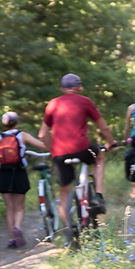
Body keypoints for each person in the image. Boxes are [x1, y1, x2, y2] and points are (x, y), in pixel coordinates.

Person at [39, 73, 117, 231]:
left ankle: (70, 229)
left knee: (64, 189)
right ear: (79, 87)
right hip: (82, 148)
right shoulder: (85, 101)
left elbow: (42, 134)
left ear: (62, 88)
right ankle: (98, 196)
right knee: (99, 157)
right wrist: (110, 141)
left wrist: (52, 149)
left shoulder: (52, 104)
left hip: (59, 153)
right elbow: (103, 127)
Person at [0, 111, 47, 248]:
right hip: (18, 173)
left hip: (4, 174)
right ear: (17, 122)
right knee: (19, 207)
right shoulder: (22, 135)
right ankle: (17, 227)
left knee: (9, 207)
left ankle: (12, 239)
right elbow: (42, 146)